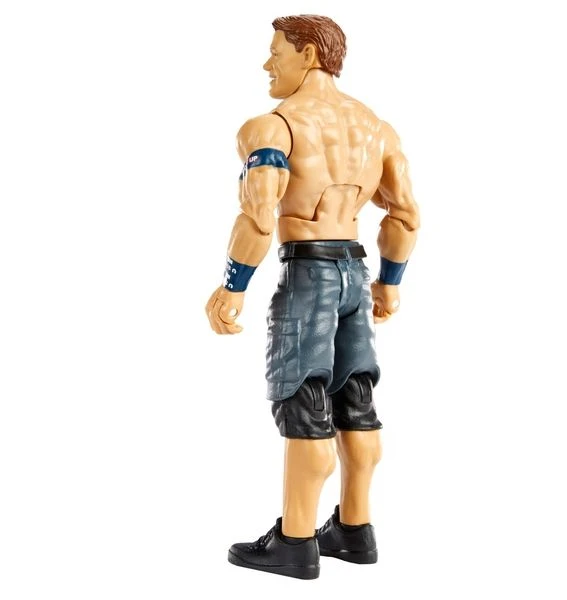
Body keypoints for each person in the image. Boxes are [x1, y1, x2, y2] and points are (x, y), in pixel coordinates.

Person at [205, 14, 419, 579]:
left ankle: (295, 541)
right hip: (355, 270)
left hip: (308, 274)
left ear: (308, 55)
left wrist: (232, 286)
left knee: (302, 398)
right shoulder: (376, 128)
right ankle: (354, 528)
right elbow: (405, 214)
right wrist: (389, 283)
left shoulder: (273, 127)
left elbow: (259, 213)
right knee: (356, 397)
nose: (267, 64)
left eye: (276, 53)